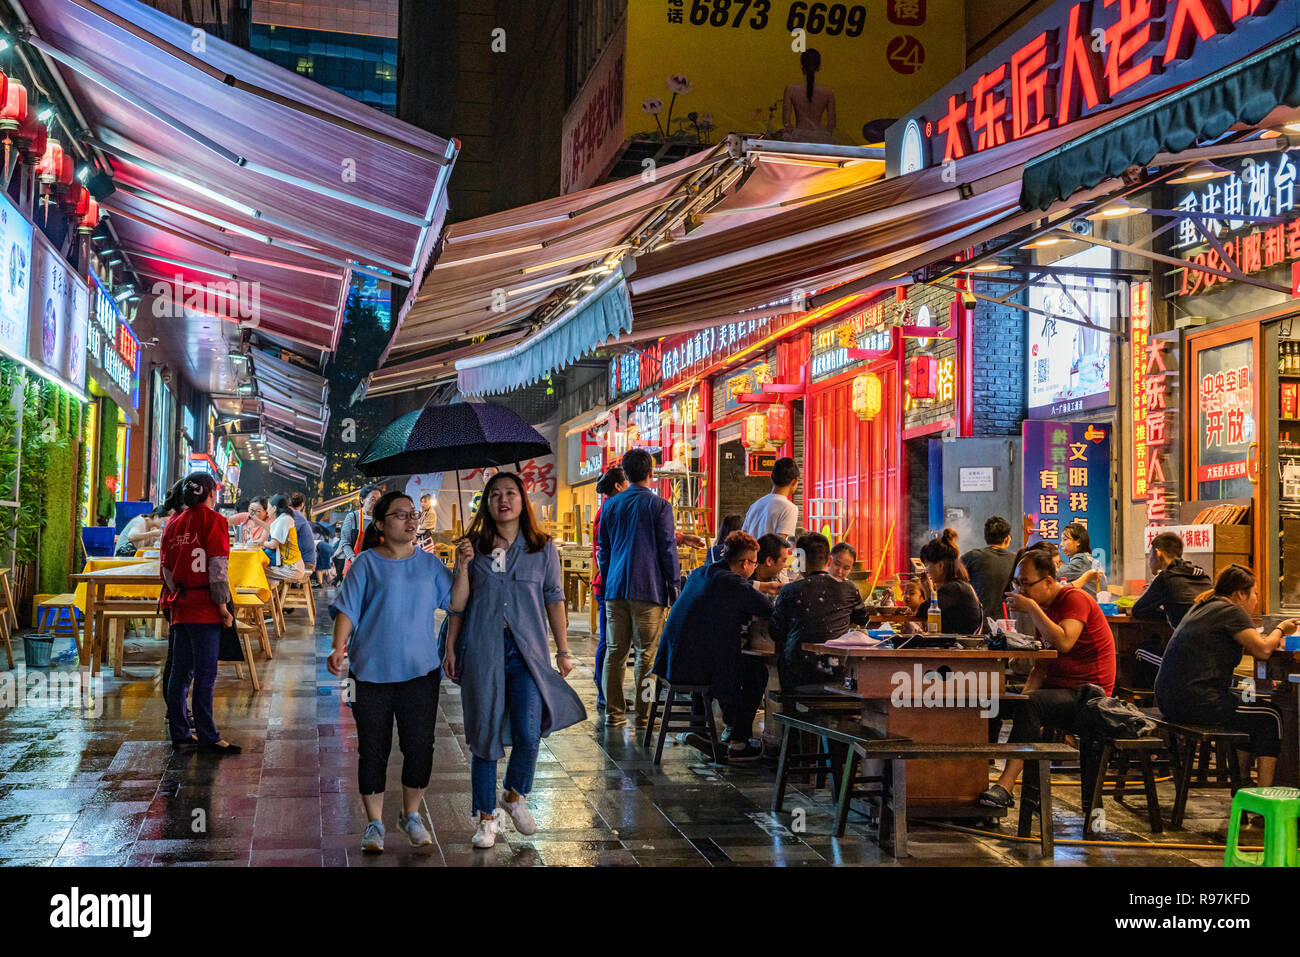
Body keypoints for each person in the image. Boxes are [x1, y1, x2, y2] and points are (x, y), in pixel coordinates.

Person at [444, 472, 585, 850]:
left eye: (510, 493)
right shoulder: (473, 546)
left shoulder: (542, 548)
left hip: (528, 653)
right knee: (484, 736)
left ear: (523, 501)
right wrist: (461, 568)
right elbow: (457, 606)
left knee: (528, 732)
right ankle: (486, 818)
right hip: (483, 651)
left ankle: (515, 794)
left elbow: (555, 598)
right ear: (486, 503)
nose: (502, 500)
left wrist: (563, 650)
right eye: (494, 494)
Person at [327, 491, 453, 854]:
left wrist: (463, 565)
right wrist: (339, 649)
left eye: (413, 514)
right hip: (369, 674)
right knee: (373, 749)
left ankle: (410, 814)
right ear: (380, 524)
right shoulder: (366, 563)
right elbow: (347, 609)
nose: (411, 520)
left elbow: (456, 603)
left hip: (420, 672)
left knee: (420, 747)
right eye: (400, 515)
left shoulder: (429, 566)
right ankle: (375, 822)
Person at [979, 549, 1117, 809]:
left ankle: (1006, 786)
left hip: (1089, 695)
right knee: (992, 701)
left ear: (1049, 582)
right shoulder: (1047, 609)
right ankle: (969, 779)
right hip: (1059, 691)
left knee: (1032, 705)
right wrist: (1019, 698)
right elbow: (1040, 670)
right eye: (1017, 583)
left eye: (1026, 583)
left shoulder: (1074, 599)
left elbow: (1064, 641)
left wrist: (1031, 608)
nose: (1021, 589)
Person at [1154, 565, 1298, 788]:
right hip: (1196, 702)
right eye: (1256, 594)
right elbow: (1262, 650)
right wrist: (1280, 628)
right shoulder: (1231, 611)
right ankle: (1263, 797)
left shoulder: (1204, 605)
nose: (1256, 600)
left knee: (1250, 703)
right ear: (1241, 593)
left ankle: (1241, 783)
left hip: (1171, 699)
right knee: (1270, 715)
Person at [652, 530, 775, 762]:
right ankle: (738, 742)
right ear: (745, 562)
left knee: (723, 657)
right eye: (754, 563)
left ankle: (700, 727)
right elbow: (766, 609)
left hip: (671, 658)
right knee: (755, 670)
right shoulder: (730, 581)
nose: (753, 568)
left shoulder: (702, 572)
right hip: (693, 666)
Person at [596, 448, 681, 728]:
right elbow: (668, 550)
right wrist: (674, 587)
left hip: (615, 590)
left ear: (626, 473)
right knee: (647, 656)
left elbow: (604, 552)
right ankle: (645, 716)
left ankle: (614, 714)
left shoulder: (610, 506)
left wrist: (609, 582)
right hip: (649, 590)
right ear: (651, 472)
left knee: (615, 653)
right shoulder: (659, 506)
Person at [159, 472, 239, 755]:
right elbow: (218, 568)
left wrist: (179, 591)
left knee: (180, 673)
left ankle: (180, 733)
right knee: (206, 674)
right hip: (206, 608)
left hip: (180, 605)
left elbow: (166, 570)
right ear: (211, 494)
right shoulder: (215, 521)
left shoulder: (173, 523)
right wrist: (222, 608)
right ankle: (208, 735)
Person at [769, 533, 870, 691]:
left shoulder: (789, 590)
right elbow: (863, 619)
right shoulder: (849, 589)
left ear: (801, 562)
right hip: (836, 674)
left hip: (797, 675)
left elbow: (776, 632)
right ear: (829, 560)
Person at [590, 467, 629, 712]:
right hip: (607, 585)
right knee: (609, 641)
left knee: (614, 641)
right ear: (618, 486)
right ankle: (604, 691)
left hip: (611, 583)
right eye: (627, 482)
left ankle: (609, 691)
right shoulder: (608, 511)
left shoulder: (612, 509)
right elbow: (602, 551)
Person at [1130, 531, 1212, 628]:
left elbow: (1137, 610)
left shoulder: (1165, 578)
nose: (1149, 559)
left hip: (1191, 639)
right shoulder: (1201, 574)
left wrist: (1166, 614)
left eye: (1150, 554)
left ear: (1158, 553)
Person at [918, 529, 984, 634]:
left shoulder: (954, 589)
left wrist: (927, 587)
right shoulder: (957, 585)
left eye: (927, 565)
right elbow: (932, 611)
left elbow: (923, 611)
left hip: (961, 648)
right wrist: (927, 586)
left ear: (940, 565)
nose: (926, 570)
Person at [961, 516, 1017, 624]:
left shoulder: (972, 557)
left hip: (979, 623)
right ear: (1007, 539)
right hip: (1008, 624)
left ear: (985, 538)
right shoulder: (1016, 560)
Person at [782, 48, 835, 143]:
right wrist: (825, 136)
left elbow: (786, 122)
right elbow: (831, 124)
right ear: (818, 67)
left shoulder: (791, 89)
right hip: (821, 138)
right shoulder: (828, 92)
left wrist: (794, 134)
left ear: (802, 66)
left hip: (797, 136)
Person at [741, 457, 799, 544]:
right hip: (770, 557)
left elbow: (743, 536)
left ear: (771, 478)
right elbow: (780, 543)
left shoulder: (755, 505)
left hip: (751, 557)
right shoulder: (789, 508)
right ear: (794, 481)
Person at [337, 484, 382, 573]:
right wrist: (354, 560)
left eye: (379, 500)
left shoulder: (382, 519)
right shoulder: (352, 517)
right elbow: (345, 542)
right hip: (355, 565)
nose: (376, 503)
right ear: (362, 500)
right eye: (373, 499)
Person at [265, 494, 306, 583]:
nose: (267, 510)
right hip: (293, 566)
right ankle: (271, 595)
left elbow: (273, 544)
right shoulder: (285, 518)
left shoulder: (283, 520)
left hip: (292, 569)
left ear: (274, 508)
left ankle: (266, 596)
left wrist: (260, 543)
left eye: (268, 507)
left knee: (258, 570)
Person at [1060, 522, 1105, 595]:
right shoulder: (1087, 558)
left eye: (1065, 539)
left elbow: (1055, 575)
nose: (1061, 544)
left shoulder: (1081, 560)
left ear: (1078, 542)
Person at [289, 492, 317, 577]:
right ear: (302, 504)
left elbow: (287, 534)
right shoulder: (296, 514)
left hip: (304, 560)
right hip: (305, 558)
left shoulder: (295, 514)